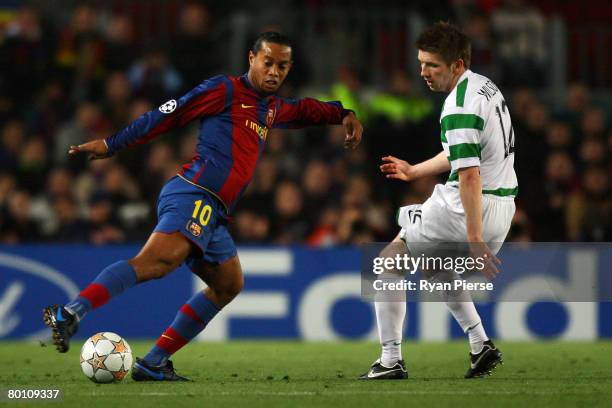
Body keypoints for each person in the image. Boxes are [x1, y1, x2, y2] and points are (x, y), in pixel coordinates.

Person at [43, 31, 362, 381]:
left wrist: (342, 113)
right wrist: (112, 143)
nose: (274, 72)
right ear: (251, 59)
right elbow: (167, 115)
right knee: (155, 263)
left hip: (215, 211)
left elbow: (302, 110)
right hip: (194, 193)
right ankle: (71, 312)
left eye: (282, 66)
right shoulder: (224, 90)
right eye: (268, 62)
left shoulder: (270, 108)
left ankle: (153, 363)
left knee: (228, 284)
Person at [360, 22, 517, 380]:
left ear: (457, 64)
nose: (423, 73)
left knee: (386, 265)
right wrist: (416, 171)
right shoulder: (484, 88)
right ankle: (480, 345)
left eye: (433, 65)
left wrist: (475, 239)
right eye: (421, 63)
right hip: (502, 205)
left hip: (468, 207)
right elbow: (462, 154)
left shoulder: (458, 105)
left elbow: (469, 176)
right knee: (435, 268)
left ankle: (389, 360)